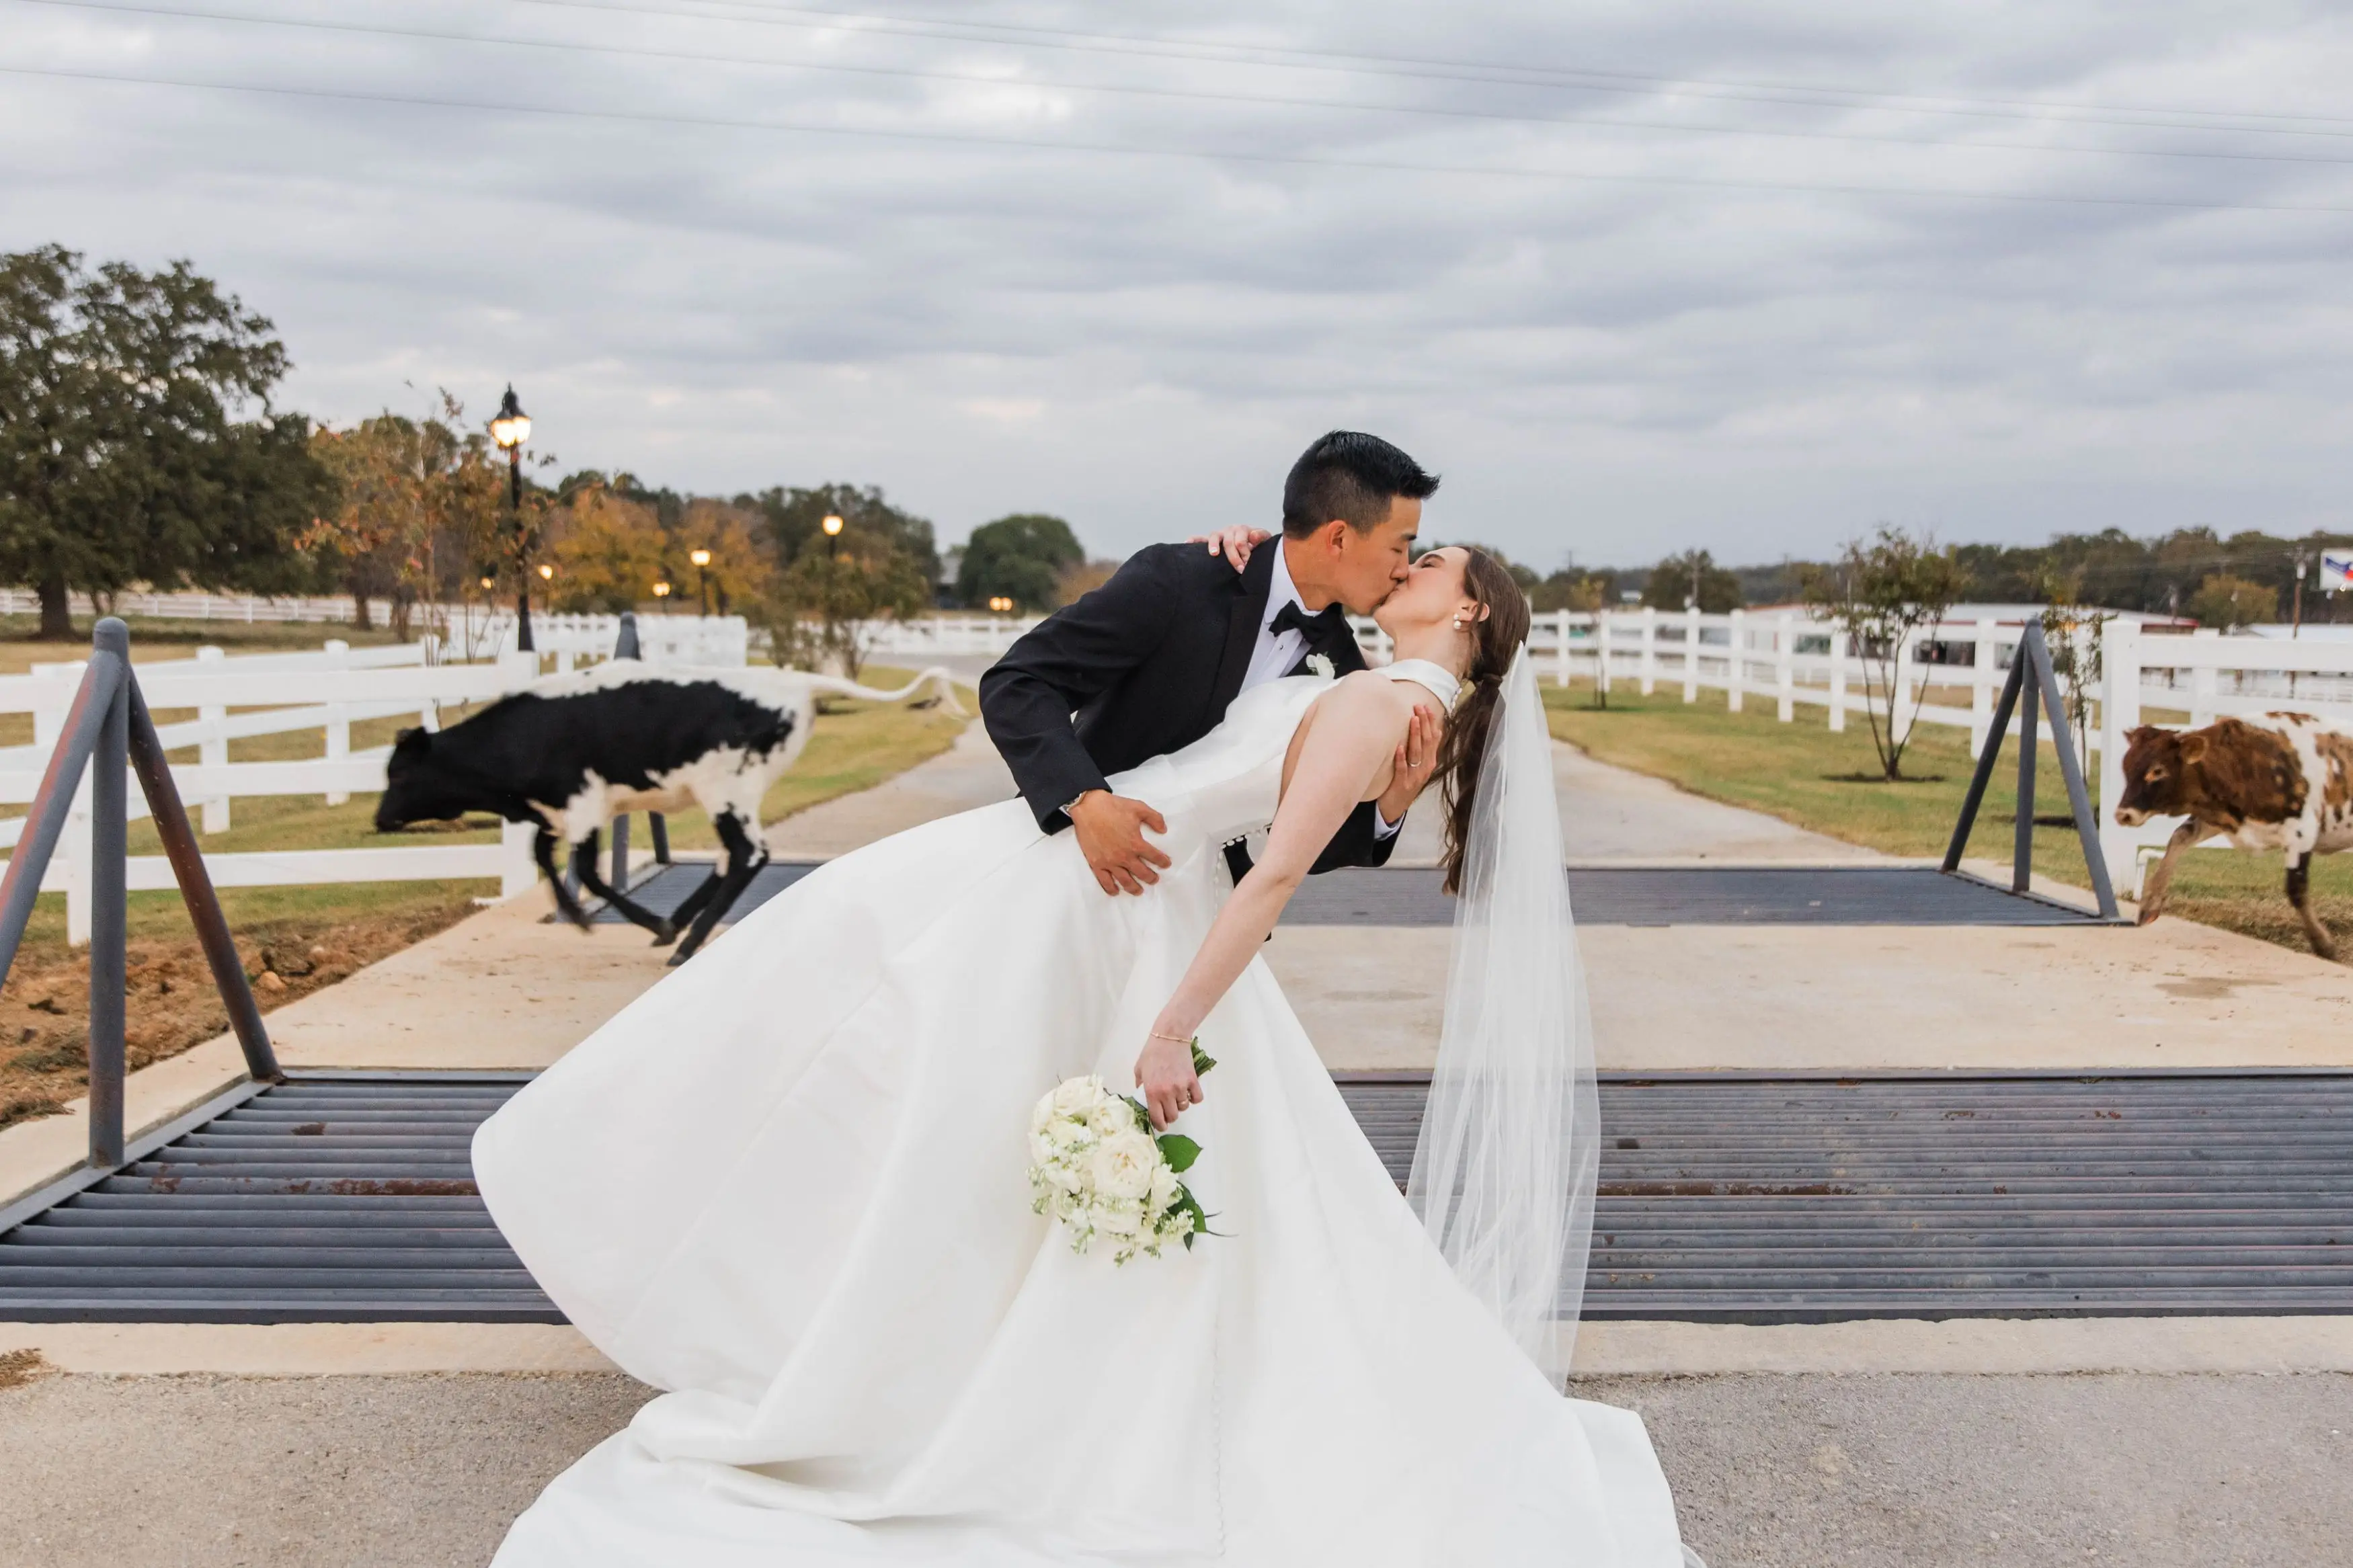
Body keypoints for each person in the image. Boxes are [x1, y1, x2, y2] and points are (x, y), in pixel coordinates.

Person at [473, 489, 1699, 1565]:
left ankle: (878, 1356)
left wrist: (1170, 1029)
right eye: (1403, 544)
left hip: (1123, 912)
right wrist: (1238, 556)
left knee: (920, 1092)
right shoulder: (1357, 667)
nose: (1405, 566)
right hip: (1080, 869)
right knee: (869, 1050)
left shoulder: (1387, 702)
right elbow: (1208, 709)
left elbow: (1275, 870)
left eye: (1428, 561)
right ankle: (808, 1312)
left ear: (1471, 612)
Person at [981, 431, 1443, 896]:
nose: (1405, 567)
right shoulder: (1179, 582)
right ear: (1339, 537)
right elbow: (1018, 681)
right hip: (1068, 870)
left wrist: (1390, 807)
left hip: (1202, 905)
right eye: (1399, 547)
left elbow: (1313, 840)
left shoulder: (1347, 673)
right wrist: (1083, 800)